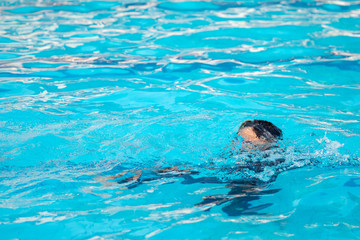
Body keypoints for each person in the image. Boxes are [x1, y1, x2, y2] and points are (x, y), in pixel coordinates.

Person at [97, 119, 284, 215]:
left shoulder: (273, 158)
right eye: (240, 140)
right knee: (177, 170)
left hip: (247, 183)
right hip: (228, 174)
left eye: (248, 142)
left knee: (230, 209)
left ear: (267, 141)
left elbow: (257, 185)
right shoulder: (241, 155)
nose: (241, 146)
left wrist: (223, 197)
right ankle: (128, 179)